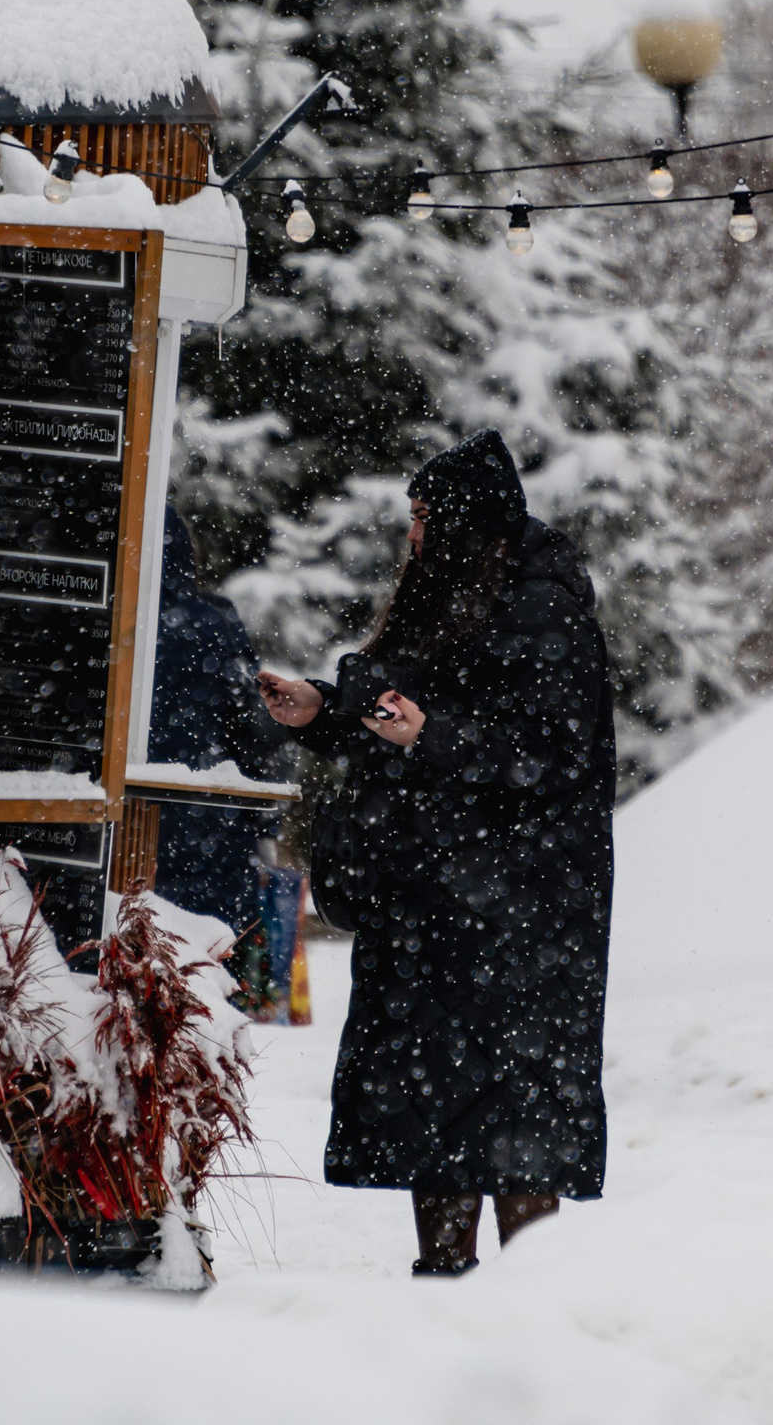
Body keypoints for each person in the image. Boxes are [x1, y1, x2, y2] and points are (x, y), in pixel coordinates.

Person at [257, 429, 615, 1277]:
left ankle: (533, 1309)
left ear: (463, 522)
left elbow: (552, 754)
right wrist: (323, 707)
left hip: (520, 910)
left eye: (423, 517)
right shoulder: (453, 590)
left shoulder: (542, 608)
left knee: (516, 1126)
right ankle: (442, 1294)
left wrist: (434, 736)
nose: (412, 535)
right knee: (437, 1115)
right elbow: (402, 695)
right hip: (439, 902)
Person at [147, 505, 287, 988]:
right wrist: (267, 819)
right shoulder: (214, 624)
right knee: (202, 990)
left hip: (129, 827)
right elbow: (255, 726)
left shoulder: (114, 619)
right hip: (210, 824)